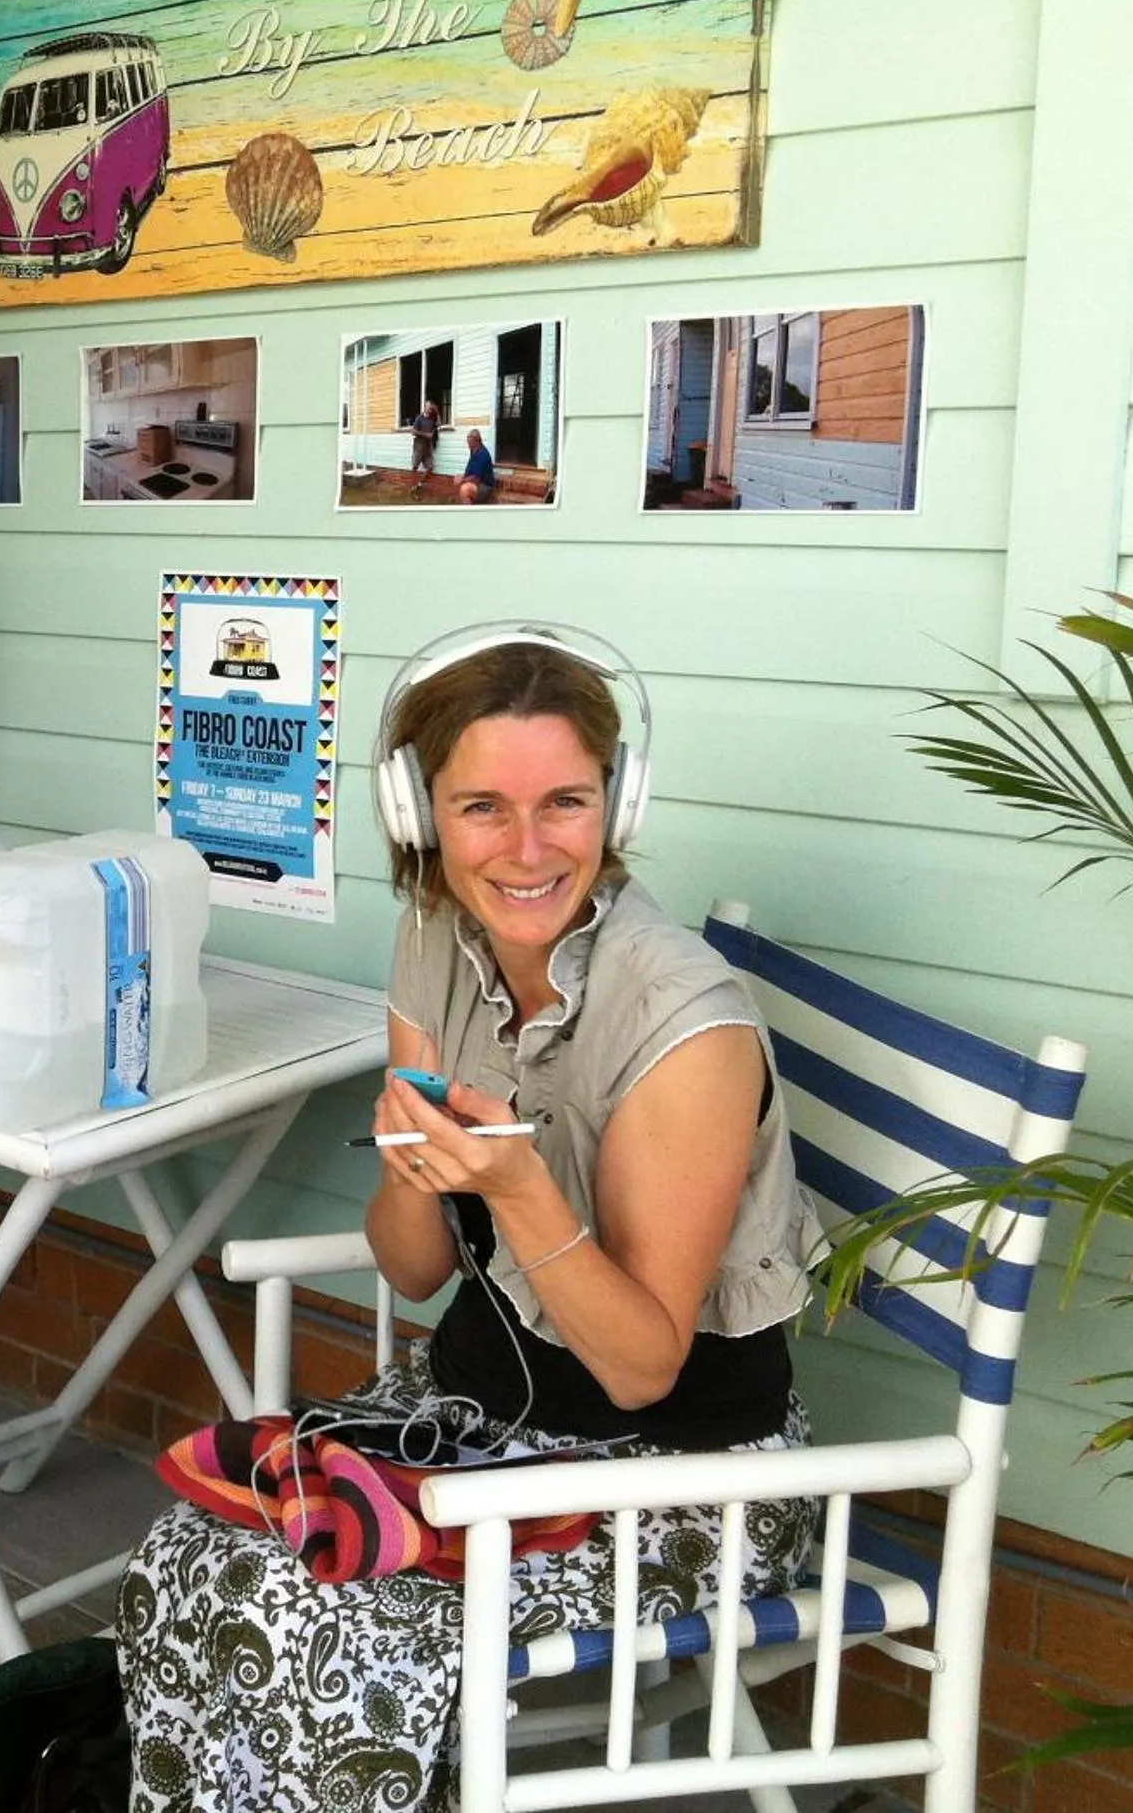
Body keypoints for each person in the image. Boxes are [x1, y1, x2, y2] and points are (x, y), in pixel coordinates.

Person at [116, 623, 822, 1811]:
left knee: (316, 1621)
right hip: (478, 1418)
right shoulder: (436, 938)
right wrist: (415, 1166)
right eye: (484, 807)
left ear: (619, 800)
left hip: (679, 1482)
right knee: (194, 1553)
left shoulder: (688, 1026)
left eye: (567, 803)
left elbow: (647, 1369)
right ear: (418, 815)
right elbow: (416, 1271)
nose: (531, 847)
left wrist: (520, 1189)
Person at [458, 427, 498, 504]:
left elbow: (476, 478)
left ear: (476, 441)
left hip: (485, 487)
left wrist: (462, 480)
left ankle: (470, 514)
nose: (468, 444)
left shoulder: (482, 454)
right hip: (477, 484)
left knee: (465, 489)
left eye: (470, 442)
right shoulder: (473, 450)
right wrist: (461, 477)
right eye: (468, 442)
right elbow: (470, 470)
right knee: (462, 484)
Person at [409, 397, 441, 488]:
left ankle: (419, 484)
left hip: (428, 445)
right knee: (415, 466)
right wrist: (426, 434)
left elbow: (439, 424)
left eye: (431, 408)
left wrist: (437, 412)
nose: (430, 410)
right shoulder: (419, 418)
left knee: (430, 467)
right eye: (429, 407)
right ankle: (412, 486)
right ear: (425, 407)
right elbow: (413, 431)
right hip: (419, 444)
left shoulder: (432, 418)